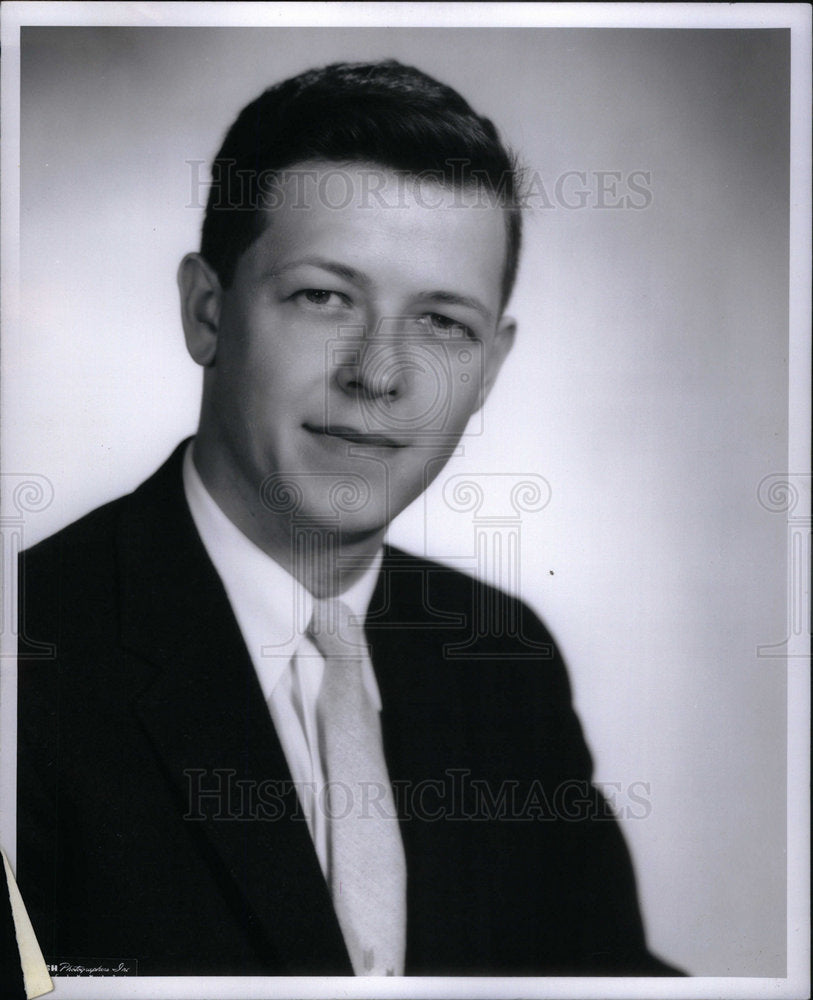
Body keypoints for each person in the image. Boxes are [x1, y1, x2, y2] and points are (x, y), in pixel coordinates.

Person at [16, 60, 679, 977]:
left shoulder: (500, 662)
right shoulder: (26, 661)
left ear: (490, 368)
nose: (380, 374)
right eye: (324, 297)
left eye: (443, 322)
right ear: (206, 313)